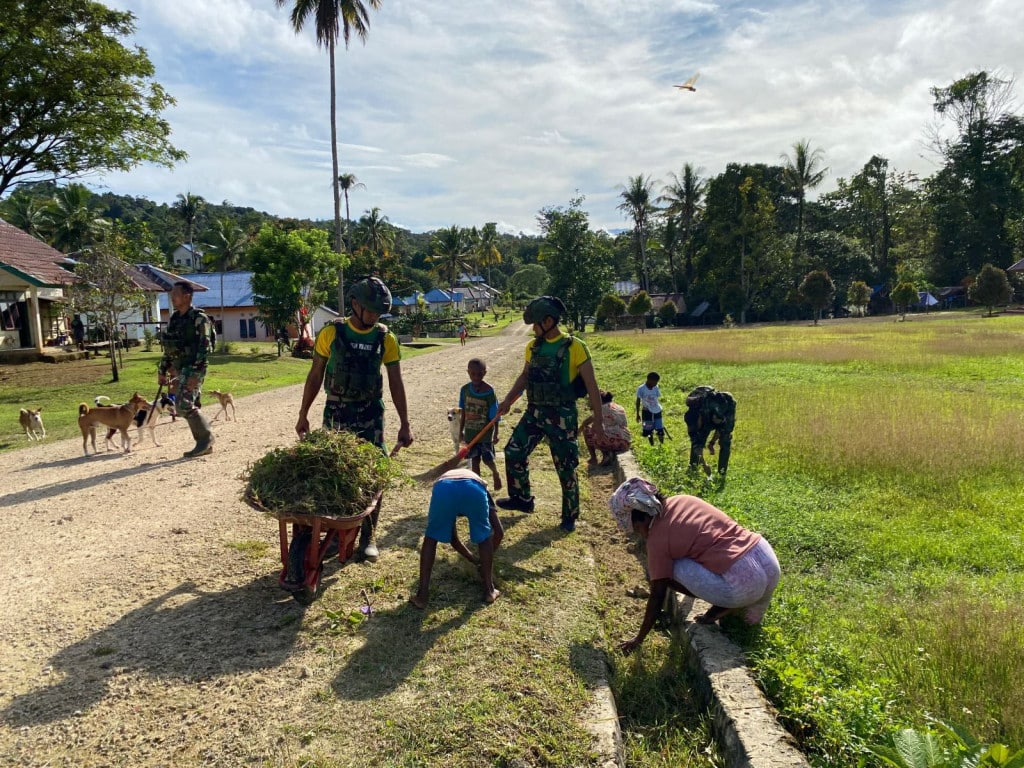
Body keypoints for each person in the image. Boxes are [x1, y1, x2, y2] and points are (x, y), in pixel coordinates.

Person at [296, 276, 414, 562]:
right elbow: (315, 376)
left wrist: (405, 422)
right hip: (337, 411)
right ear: (355, 305)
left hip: (371, 413)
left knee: (377, 472)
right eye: (370, 310)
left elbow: (396, 383)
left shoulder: (385, 337)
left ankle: (368, 537)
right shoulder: (331, 333)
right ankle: (337, 532)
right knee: (334, 471)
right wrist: (303, 414)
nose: (374, 316)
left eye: (378, 312)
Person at [609, 478, 780, 654]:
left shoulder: (656, 540)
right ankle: (750, 612)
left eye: (636, 529)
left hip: (743, 583)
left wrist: (639, 639)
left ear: (642, 519)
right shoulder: (683, 500)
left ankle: (725, 606)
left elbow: (657, 594)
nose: (640, 535)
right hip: (768, 560)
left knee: (667, 569)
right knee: (749, 616)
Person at [495, 295, 604, 533]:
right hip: (535, 412)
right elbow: (525, 377)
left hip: (562, 415)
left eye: (535, 324)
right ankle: (522, 498)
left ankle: (569, 514)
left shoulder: (575, 347)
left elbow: (592, 385)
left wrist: (599, 420)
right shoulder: (533, 346)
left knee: (565, 466)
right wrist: (507, 400)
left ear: (548, 321)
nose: (533, 329)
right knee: (514, 451)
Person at [410, 467, 504, 609]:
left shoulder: (449, 483)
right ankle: (489, 591)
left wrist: (475, 561)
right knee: (483, 538)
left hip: (444, 488)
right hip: (473, 489)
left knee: (431, 538)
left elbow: (452, 538)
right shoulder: (483, 490)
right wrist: (479, 562)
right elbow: (499, 532)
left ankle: (422, 596)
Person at [158, 282, 215, 458]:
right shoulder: (175, 319)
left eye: (176, 294)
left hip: (195, 368)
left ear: (187, 296)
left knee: (182, 405)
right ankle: (203, 443)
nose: (172, 298)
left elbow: (205, 347)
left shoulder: (199, 319)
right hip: (180, 368)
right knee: (188, 404)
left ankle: (206, 440)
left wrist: (194, 372)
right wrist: (163, 370)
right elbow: (170, 347)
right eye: (172, 294)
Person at [459, 358, 502, 490]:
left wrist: (496, 433)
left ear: (484, 373)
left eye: (479, 374)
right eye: (473, 374)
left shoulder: (489, 392)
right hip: (471, 433)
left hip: (485, 434)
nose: (476, 377)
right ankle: (478, 486)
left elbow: (495, 415)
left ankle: (495, 473)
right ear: (468, 372)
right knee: (474, 460)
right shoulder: (465, 390)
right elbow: (463, 412)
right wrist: (461, 431)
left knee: (488, 459)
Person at [683, 386, 737, 476]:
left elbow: (722, 427)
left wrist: (712, 442)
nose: (696, 428)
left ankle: (722, 472)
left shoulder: (721, 408)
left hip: (726, 409)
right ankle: (693, 466)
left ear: (700, 418)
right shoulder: (691, 418)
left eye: (698, 425)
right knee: (699, 438)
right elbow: (696, 444)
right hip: (709, 416)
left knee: (725, 440)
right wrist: (704, 465)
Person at [582, 390, 631, 466]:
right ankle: (608, 454)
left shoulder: (601, 409)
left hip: (613, 441)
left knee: (588, 430)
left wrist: (577, 432)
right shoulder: (617, 406)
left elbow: (585, 423)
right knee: (604, 430)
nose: (589, 403)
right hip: (625, 441)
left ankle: (594, 458)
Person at [635, 372, 665, 445]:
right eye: (655, 382)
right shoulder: (641, 388)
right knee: (648, 431)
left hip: (657, 410)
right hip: (646, 412)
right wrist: (637, 414)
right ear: (650, 380)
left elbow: (656, 398)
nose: (656, 383)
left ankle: (662, 445)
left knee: (660, 430)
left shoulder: (656, 387)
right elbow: (638, 401)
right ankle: (651, 445)